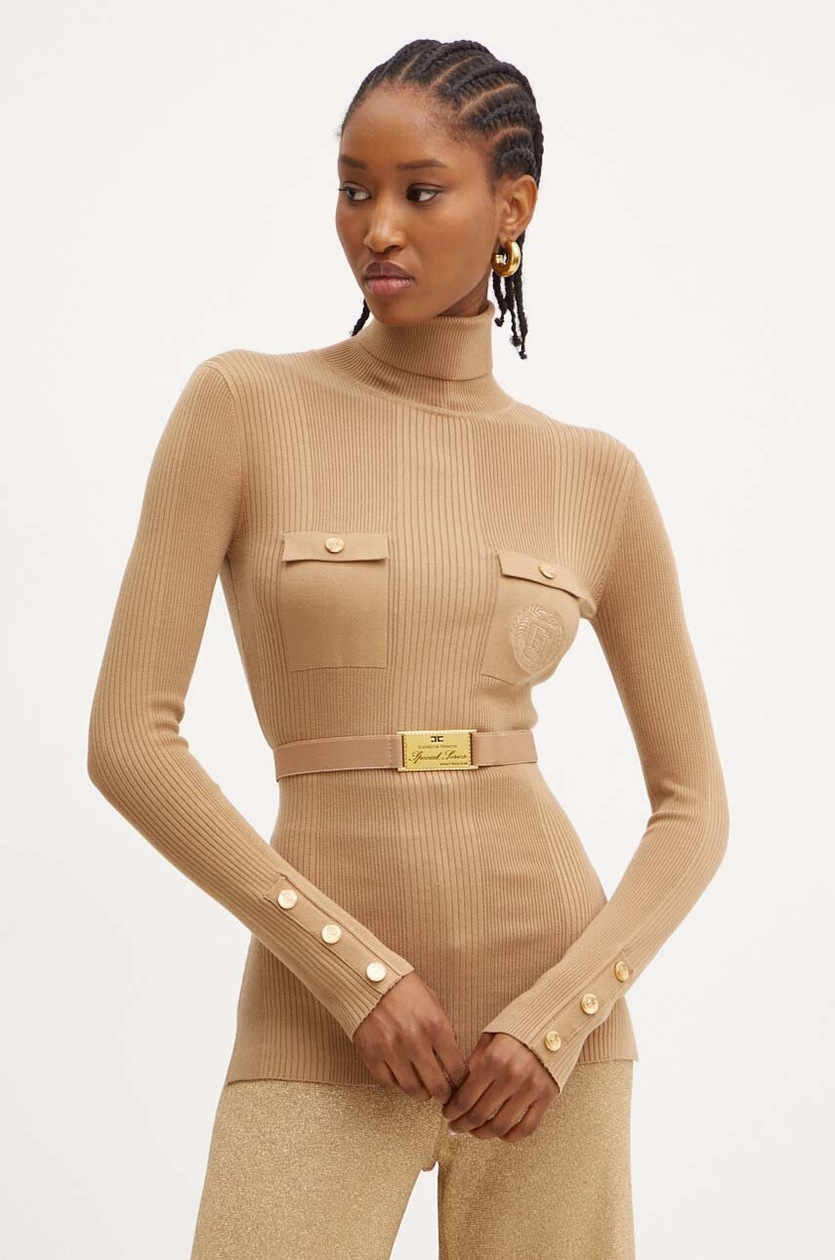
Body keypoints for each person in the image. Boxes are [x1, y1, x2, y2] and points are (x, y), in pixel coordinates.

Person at [87, 37, 730, 1260]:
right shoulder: (243, 405)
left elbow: (694, 808)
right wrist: (353, 975)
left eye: (420, 191)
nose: (376, 227)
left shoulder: (595, 475)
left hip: (547, 1039)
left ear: (512, 207)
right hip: (315, 1020)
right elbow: (128, 739)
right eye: (353, 188)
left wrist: (560, 1018)